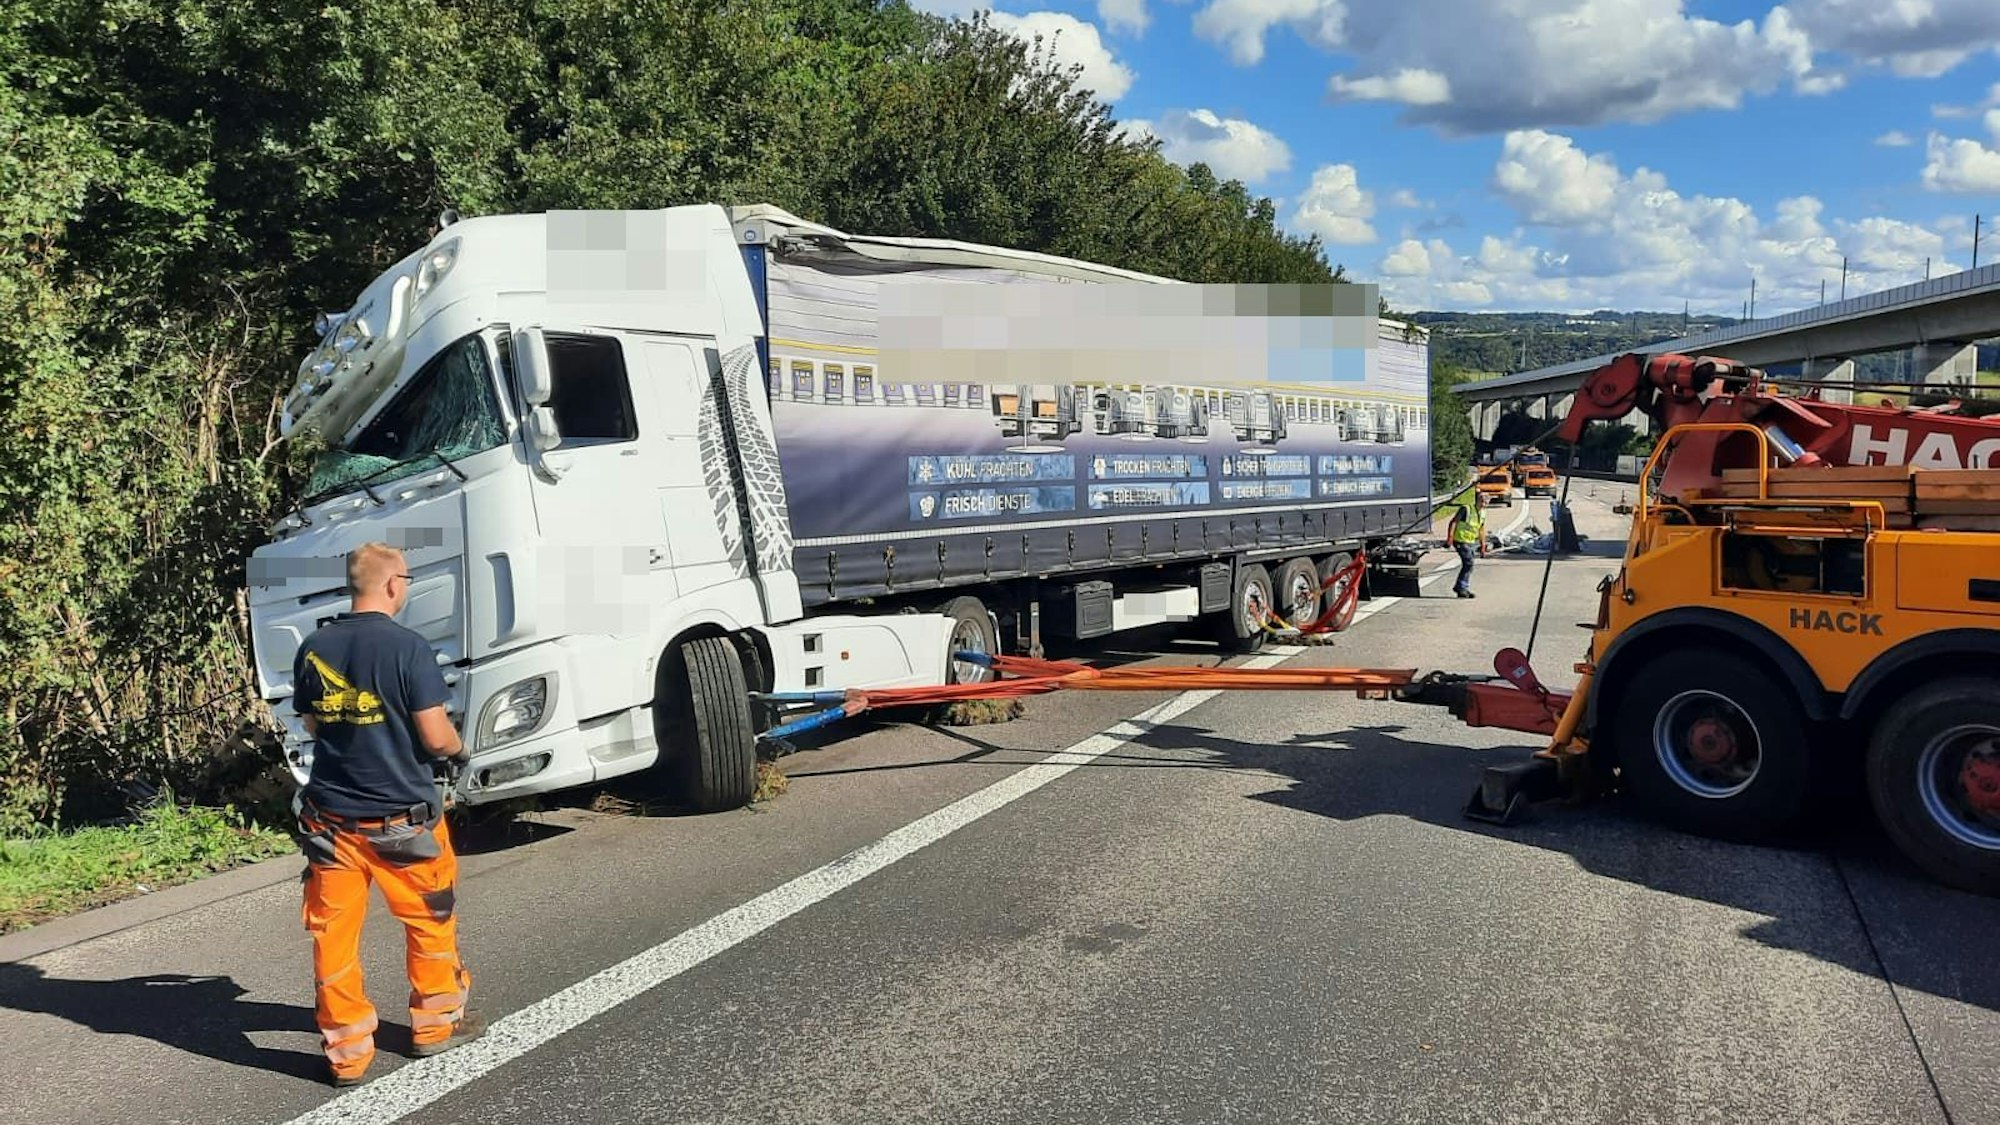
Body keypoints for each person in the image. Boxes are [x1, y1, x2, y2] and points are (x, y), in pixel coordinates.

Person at [290, 542, 481, 1086]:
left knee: (333, 936)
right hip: (404, 823)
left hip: (331, 825)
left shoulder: (314, 647)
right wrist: (460, 750)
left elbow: (312, 724)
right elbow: (435, 736)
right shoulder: (407, 647)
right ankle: (435, 1026)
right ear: (395, 584)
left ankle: (346, 1054)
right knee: (429, 921)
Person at [1446, 481, 1487, 599]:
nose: (1484, 504)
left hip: (1471, 542)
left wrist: (1483, 545)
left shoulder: (1483, 513)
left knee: (1469, 565)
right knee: (1469, 563)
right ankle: (1461, 587)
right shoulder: (1466, 509)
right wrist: (1450, 538)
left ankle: (1462, 588)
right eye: (1482, 501)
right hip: (1460, 540)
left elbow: (1481, 529)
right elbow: (1453, 522)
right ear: (1477, 500)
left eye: (1486, 502)